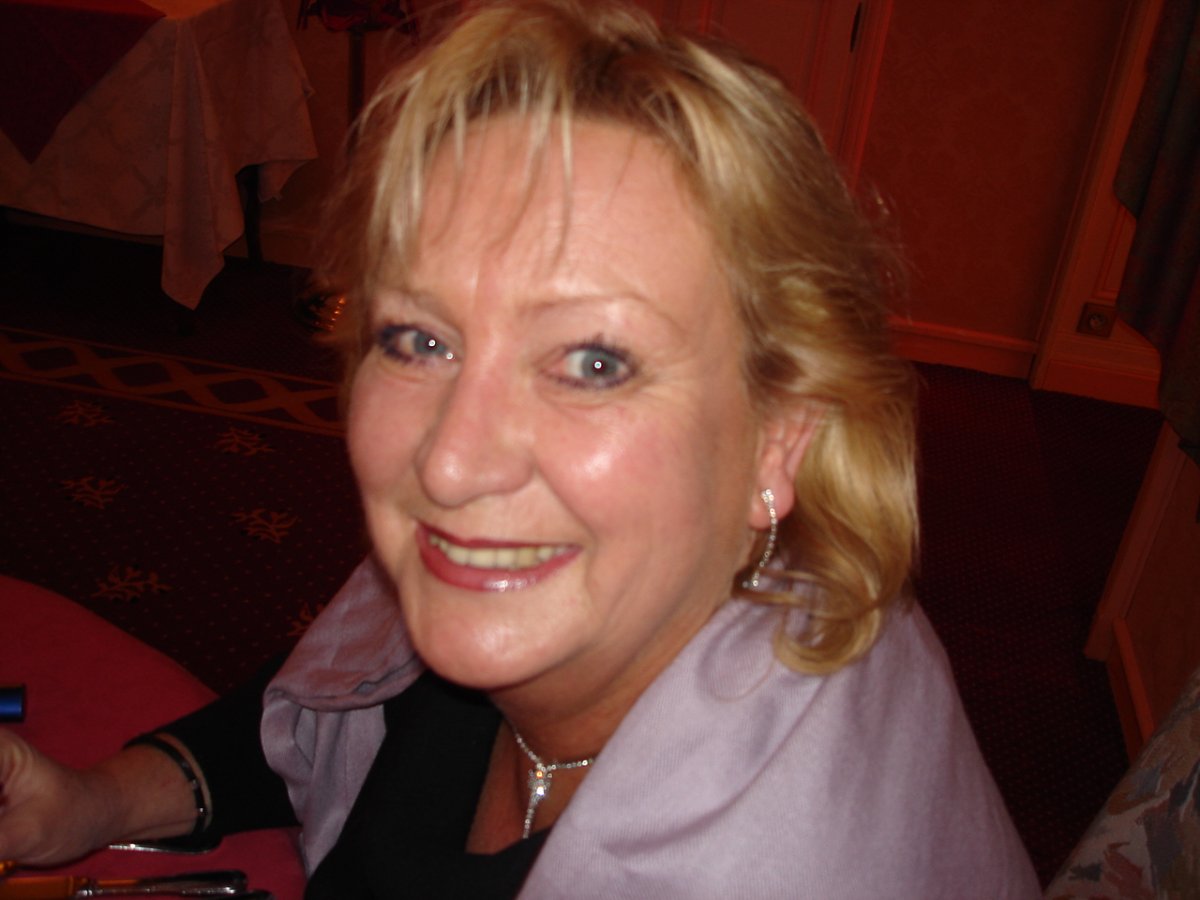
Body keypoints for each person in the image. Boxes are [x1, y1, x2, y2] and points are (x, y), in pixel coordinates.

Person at [0, 1, 1041, 895]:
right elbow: (345, 699)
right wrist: (90, 801)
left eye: (593, 361)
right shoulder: (593, 585)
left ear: (780, 440)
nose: (451, 464)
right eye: (420, 340)